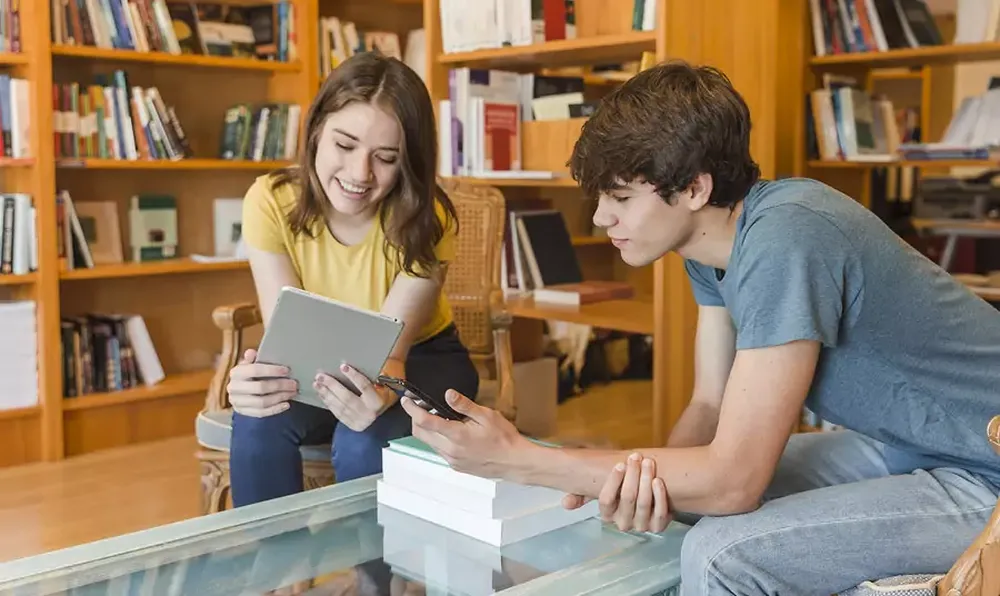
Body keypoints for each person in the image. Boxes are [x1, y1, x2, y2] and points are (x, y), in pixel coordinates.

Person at [399, 60, 1000, 595]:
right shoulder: (713, 250)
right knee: (677, 500)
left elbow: (734, 481)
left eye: (620, 197)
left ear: (694, 188)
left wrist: (523, 459)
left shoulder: (788, 236)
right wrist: (631, 483)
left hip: (987, 469)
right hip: (908, 447)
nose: (601, 216)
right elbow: (710, 404)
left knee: (721, 555)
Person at [227, 52, 479, 507]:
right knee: (256, 418)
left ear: (409, 162)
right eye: (344, 146)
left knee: (366, 438)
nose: (359, 175)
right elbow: (287, 336)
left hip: (418, 360)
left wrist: (372, 399)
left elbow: (392, 355)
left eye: (385, 158)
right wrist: (253, 382)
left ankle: (374, 579)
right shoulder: (269, 200)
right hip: (319, 353)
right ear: (316, 130)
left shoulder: (429, 218)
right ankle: (273, 573)